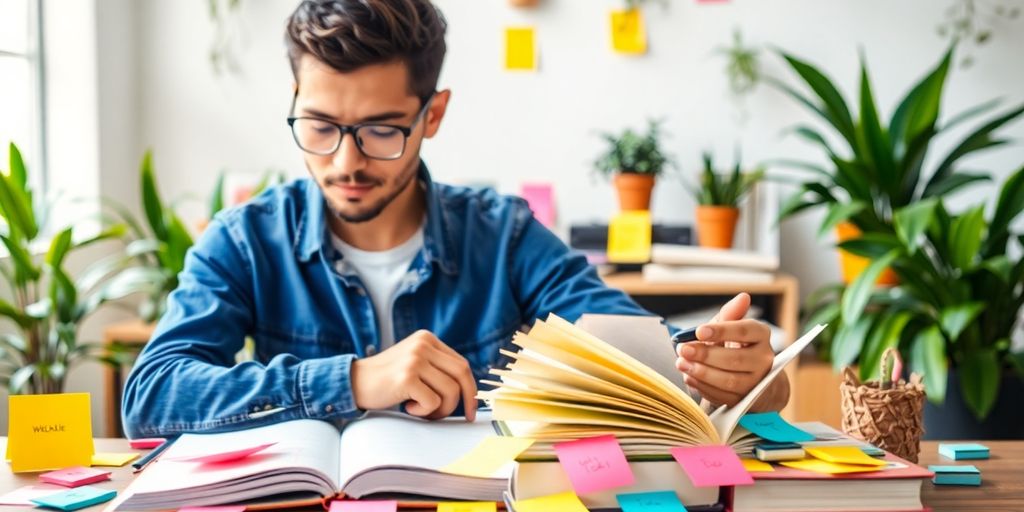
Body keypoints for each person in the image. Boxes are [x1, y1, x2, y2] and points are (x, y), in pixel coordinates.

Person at [121, 0, 787, 439]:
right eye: (320, 126)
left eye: (382, 130)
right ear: (296, 100)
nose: (346, 161)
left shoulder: (504, 234)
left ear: (431, 116)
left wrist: (735, 369)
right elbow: (151, 396)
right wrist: (354, 379)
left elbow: (627, 339)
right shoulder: (244, 240)